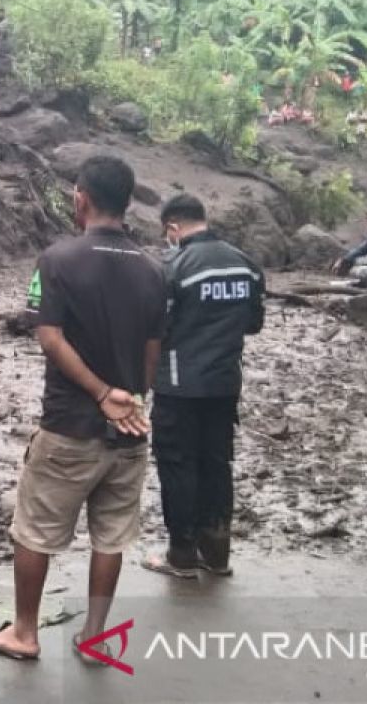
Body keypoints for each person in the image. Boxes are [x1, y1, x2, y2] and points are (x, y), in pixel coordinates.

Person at [0, 155, 166, 664]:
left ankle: (23, 632)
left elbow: (49, 337)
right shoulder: (154, 269)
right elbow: (153, 351)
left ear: (81, 197)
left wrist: (102, 394)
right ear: (126, 202)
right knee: (111, 535)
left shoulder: (57, 260)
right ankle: (95, 636)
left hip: (68, 425)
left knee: (35, 529)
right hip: (129, 430)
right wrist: (129, 398)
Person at [140, 195, 264, 579]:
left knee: (178, 466)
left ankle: (181, 554)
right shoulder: (246, 265)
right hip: (225, 383)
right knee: (216, 463)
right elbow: (253, 324)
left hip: (178, 385)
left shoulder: (172, 267)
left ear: (172, 227)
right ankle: (217, 553)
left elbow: (157, 329)